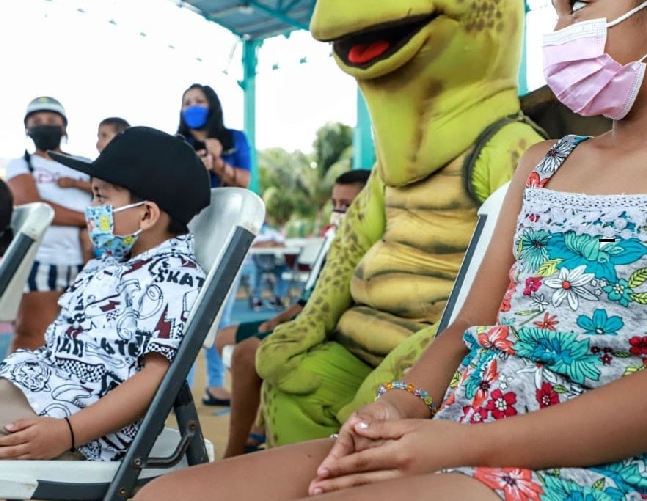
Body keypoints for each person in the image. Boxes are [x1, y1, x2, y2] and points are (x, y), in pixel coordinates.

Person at [136, 0, 647, 499]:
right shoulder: (547, 161)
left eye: (577, 4)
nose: (559, 32)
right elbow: (464, 329)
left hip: (589, 470)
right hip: (457, 431)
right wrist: (398, 407)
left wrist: (456, 446)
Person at [0, 126, 210, 460]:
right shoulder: (112, 262)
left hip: (78, 428)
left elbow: (158, 376)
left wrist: (67, 433)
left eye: (101, 197)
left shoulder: (173, 276)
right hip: (39, 391)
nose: (91, 209)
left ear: (146, 214)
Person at [215, 168, 371, 458]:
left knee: (247, 353)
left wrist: (291, 321)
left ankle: (234, 453)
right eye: (335, 204)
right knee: (223, 337)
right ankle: (255, 420)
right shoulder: (335, 241)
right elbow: (311, 296)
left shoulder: (372, 249)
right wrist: (286, 315)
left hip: (327, 326)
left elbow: (334, 307)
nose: (338, 211)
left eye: (347, 206)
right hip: (305, 315)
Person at [178, 83, 252, 407]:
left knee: (220, 313)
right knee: (185, 310)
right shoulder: (176, 145)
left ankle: (216, 385)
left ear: (213, 105)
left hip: (228, 231)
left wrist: (218, 163)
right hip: (187, 232)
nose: (192, 107)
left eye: (199, 101)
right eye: (186, 102)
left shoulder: (235, 140)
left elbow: (246, 182)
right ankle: (182, 387)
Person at [5, 97, 92, 352]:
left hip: (86, 261)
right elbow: (34, 208)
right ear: (27, 129)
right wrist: (87, 221)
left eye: (52, 121)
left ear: (64, 127)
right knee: (31, 336)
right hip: (41, 259)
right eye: (37, 121)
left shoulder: (85, 164)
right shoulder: (21, 164)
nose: (44, 126)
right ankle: (13, 392)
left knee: (77, 339)